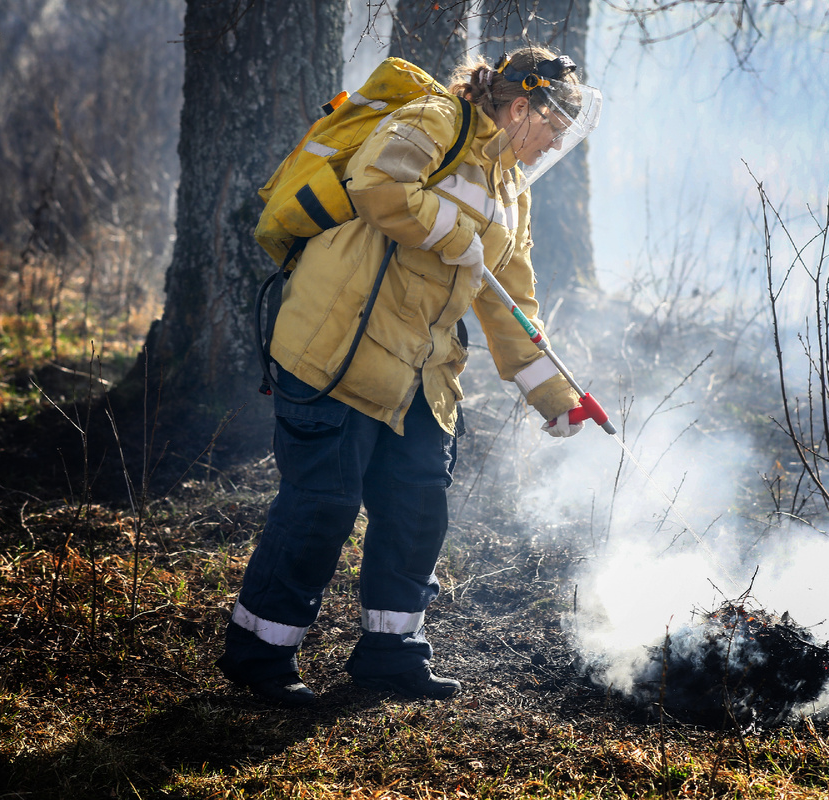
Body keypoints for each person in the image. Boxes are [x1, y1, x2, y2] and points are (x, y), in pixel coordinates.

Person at [216, 45, 603, 706]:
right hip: (338, 350)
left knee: (417, 509)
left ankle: (391, 655)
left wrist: (555, 396)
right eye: (554, 126)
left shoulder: (511, 187)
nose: (556, 143)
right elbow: (378, 184)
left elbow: (510, 299)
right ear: (520, 107)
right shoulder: (434, 120)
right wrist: (455, 236)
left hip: (421, 372)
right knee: (322, 506)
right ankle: (260, 656)